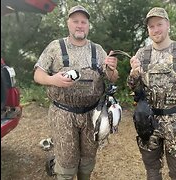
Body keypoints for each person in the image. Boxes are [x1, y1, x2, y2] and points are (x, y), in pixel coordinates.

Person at [33, 5, 119, 180]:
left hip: (91, 114)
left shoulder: (98, 50)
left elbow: (113, 78)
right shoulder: (55, 47)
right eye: (75, 21)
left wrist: (112, 69)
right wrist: (52, 80)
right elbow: (37, 74)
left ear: (88, 25)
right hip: (63, 114)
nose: (80, 25)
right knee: (66, 163)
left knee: (87, 161)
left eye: (83, 22)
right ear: (68, 24)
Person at [127, 7, 176, 180]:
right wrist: (134, 73)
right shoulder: (142, 53)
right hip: (148, 122)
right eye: (151, 26)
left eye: (159, 24)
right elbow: (132, 88)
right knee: (152, 171)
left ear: (167, 25)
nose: (156, 29)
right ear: (148, 30)